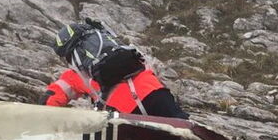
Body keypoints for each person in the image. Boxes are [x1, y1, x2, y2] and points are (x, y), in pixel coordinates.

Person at [40, 21, 189, 119]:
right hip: (154, 90)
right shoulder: (123, 52)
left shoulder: (78, 74)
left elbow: (51, 98)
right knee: (185, 132)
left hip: (124, 109)